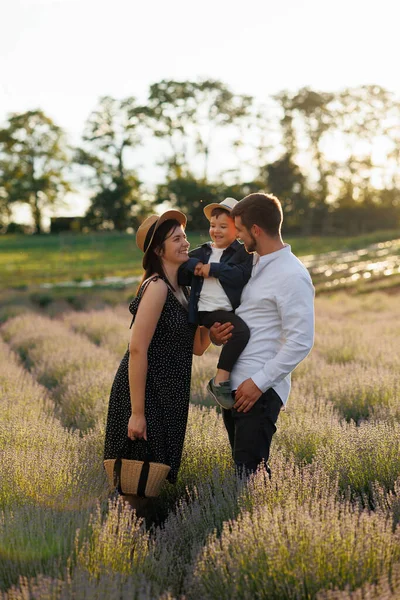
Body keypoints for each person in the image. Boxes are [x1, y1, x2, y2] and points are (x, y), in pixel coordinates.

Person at [103, 209, 215, 515]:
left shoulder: (184, 290)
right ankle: (126, 545)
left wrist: (212, 327)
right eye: (176, 238)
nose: (184, 243)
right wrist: (137, 414)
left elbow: (197, 347)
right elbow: (137, 350)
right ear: (158, 249)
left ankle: (138, 540)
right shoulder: (156, 288)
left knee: (149, 481)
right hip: (147, 395)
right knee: (136, 482)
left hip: (168, 397)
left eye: (184, 237)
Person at [212, 192, 315, 476]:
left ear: (256, 230)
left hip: (258, 391)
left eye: (241, 230)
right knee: (242, 471)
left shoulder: (291, 274)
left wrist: (258, 383)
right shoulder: (252, 265)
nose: (238, 237)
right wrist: (217, 334)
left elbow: (301, 341)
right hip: (235, 386)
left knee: (250, 474)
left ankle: (262, 520)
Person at [178, 197, 253, 410]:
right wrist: (198, 266)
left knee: (237, 334)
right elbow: (184, 262)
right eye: (212, 226)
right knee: (241, 333)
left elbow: (241, 275)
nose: (216, 231)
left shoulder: (241, 254)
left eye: (223, 226)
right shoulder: (204, 251)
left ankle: (228, 377)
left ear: (237, 231)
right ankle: (220, 381)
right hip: (205, 311)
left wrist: (214, 269)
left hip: (224, 310)